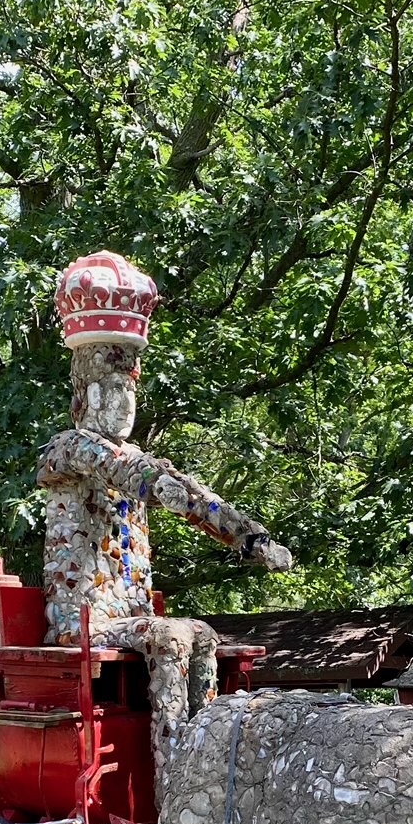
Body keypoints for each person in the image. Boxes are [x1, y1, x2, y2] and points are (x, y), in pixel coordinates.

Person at [38, 251, 291, 773]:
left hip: (129, 615)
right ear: (84, 393)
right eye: (111, 390)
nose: (122, 403)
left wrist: (249, 537)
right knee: (174, 635)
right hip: (79, 620)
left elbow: (182, 488)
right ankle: (174, 769)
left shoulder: (129, 457)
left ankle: (208, 760)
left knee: (201, 633)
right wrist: (174, 493)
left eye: (128, 391)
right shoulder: (69, 449)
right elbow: (146, 480)